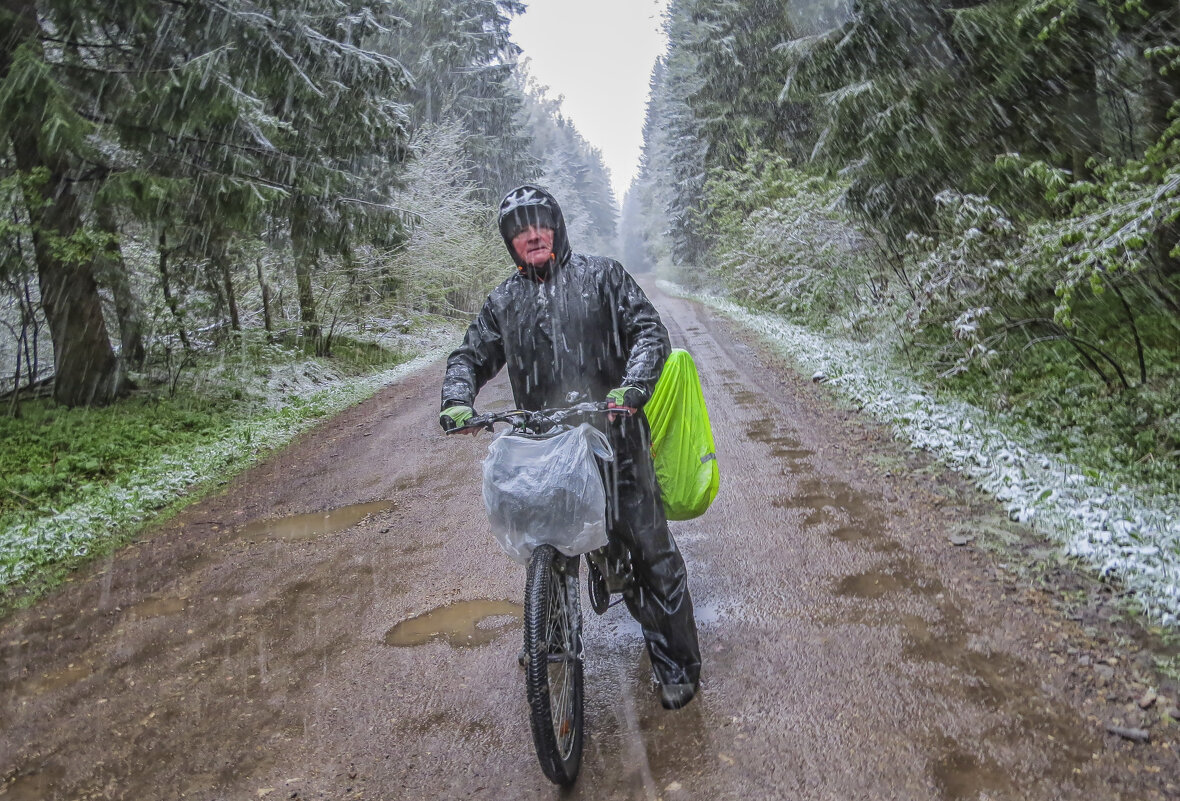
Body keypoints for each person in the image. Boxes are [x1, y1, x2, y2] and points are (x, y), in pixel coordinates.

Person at [439, 185, 702, 710]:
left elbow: (650, 332)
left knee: (650, 552)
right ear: (509, 242)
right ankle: (547, 633)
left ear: (556, 226)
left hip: (616, 442)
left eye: (539, 223)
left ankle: (676, 664)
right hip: (548, 451)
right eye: (518, 229)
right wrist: (457, 400)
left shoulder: (601, 277)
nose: (530, 234)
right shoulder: (503, 303)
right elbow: (468, 356)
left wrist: (633, 387)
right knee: (548, 548)